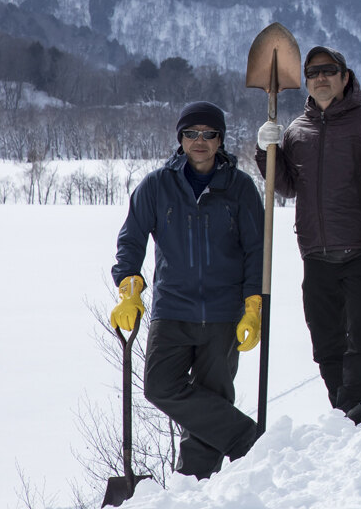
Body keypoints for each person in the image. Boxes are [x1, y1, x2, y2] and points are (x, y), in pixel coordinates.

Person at [110, 101, 263, 480]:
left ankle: (193, 483)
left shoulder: (240, 188)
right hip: (172, 310)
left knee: (212, 397)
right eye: (192, 133)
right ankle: (246, 437)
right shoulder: (158, 184)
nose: (200, 141)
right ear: (180, 138)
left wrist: (253, 302)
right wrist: (130, 287)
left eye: (209, 134)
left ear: (220, 140)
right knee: (159, 387)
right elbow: (131, 239)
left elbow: (257, 250)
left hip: (223, 313)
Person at [255, 46, 361, 424]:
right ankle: (344, 407)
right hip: (316, 254)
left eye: (329, 71)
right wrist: (264, 151)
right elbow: (285, 186)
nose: (321, 78)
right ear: (306, 81)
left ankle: (355, 405)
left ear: (345, 77)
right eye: (313, 72)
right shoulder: (296, 130)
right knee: (325, 342)